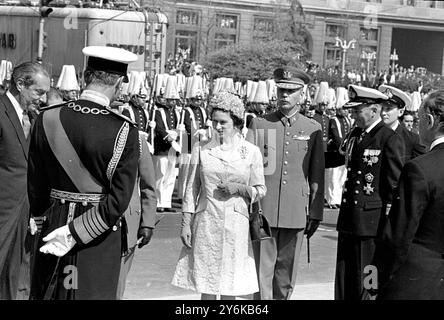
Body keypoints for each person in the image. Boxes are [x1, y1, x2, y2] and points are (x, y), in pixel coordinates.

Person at [28, 46, 140, 300]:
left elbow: (35, 186)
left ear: (85, 75)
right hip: (97, 234)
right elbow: (119, 199)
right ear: (120, 83)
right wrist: (75, 232)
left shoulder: (47, 119)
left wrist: (52, 225)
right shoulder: (124, 130)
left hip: (53, 228)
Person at [172, 91, 266, 300]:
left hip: (236, 224)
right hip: (206, 222)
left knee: (229, 284)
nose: (217, 127)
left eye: (223, 122)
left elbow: (260, 189)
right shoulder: (202, 149)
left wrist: (240, 189)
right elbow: (191, 189)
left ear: (237, 122)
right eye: (214, 121)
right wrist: (186, 223)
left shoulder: (251, 152)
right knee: (207, 281)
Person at [246, 67, 325, 300]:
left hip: (296, 211)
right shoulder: (260, 125)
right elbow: (248, 169)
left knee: (286, 276)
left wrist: (316, 212)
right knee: (262, 273)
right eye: (281, 90)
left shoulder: (313, 129)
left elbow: (317, 176)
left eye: (291, 91)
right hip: (264, 211)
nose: (285, 95)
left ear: (302, 94)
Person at [334, 85, 404, 300]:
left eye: (357, 111)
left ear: (373, 111)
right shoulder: (356, 135)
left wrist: (389, 223)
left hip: (371, 224)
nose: (353, 116)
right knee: (345, 280)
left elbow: (394, 184)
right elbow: (340, 158)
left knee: (366, 279)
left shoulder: (387, 138)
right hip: (349, 220)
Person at [376, 90, 444, 300]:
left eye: (420, 119)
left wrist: (372, 282)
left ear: (431, 120)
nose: (417, 124)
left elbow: (397, 236)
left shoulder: (419, 169)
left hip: (418, 282)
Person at [0, 62, 50, 299]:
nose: (42, 98)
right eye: (38, 92)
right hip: (3, 210)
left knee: (14, 276)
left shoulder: (34, 118)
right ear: (20, 84)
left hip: (24, 213)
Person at [116, 132, 157, 299]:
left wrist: (148, 222)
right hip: (92, 219)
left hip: (126, 222)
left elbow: (148, 184)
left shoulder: (136, 139)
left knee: (118, 283)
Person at [379, 84, 426, 162]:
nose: (383, 113)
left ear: (400, 112)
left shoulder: (412, 140)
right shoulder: (372, 135)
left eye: (388, 109)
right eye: (382, 108)